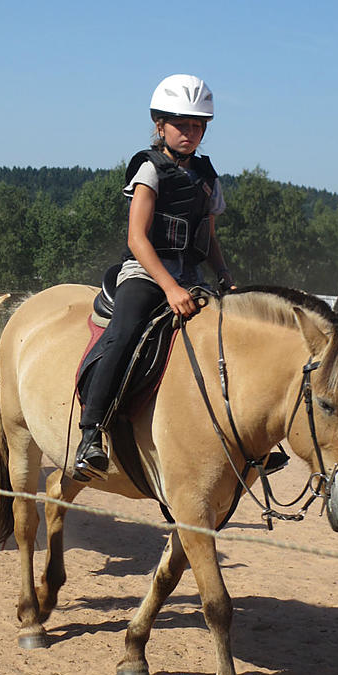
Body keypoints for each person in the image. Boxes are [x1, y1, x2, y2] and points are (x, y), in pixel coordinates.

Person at [73, 74, 236, 480]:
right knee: (125, 333)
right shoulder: (150, 169)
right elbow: (137, 238)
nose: (191, 133)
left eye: (198, 126)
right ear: (160, 126)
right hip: (147, 273)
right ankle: (91, 433)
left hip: (191, 276)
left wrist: (227, 277)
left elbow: (209, 239)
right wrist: (169, 286)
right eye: (182, 125)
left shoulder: (207, 178)